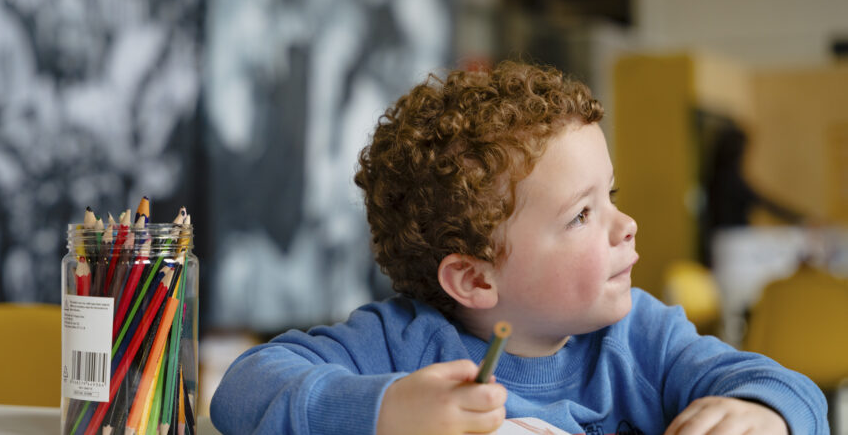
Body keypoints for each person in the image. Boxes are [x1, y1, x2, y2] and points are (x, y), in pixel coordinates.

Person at [210, 61, 827, 434]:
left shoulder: (643, 338)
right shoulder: (403, 346)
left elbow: (790, 389)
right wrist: (387, 410)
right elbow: (242, 391)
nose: (627, 225)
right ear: (475, 280)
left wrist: (761, 414)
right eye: (583, 214)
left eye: (610, 195)